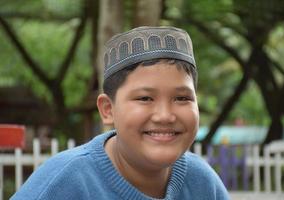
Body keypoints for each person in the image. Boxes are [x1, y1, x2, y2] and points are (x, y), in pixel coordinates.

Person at [11, 26, 229, 200]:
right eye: (145, 98)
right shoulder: (64, 183)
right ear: (108, 109)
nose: (165, 116)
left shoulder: (203, 183)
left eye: (182, 98)